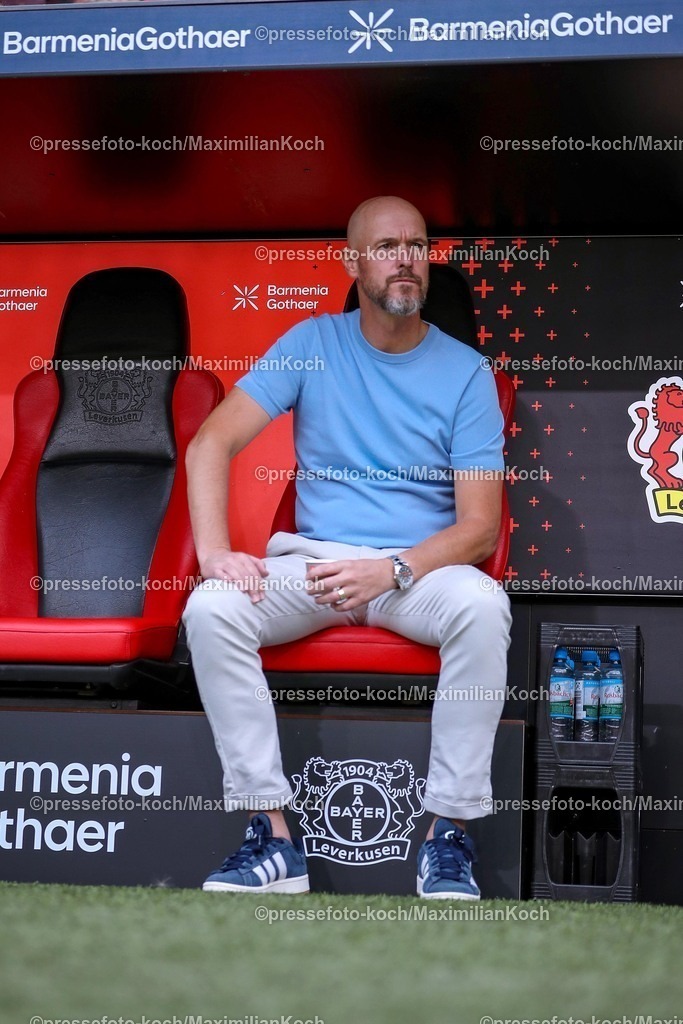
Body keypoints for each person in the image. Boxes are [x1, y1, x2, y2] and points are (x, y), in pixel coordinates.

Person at [182, 196, 512, 900]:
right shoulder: (311, 342)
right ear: (354, 261)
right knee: (211, 607)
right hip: (314, 567)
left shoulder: (466, 374)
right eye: (388, 246)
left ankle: (447, 836)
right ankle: (270, 839)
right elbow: (211, 441)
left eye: (418, 246)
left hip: (413, 574)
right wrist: (213, 552)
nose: (406, 260)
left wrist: (390, 570)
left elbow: (479, 527)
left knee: (482, 606)